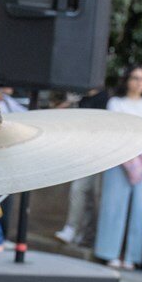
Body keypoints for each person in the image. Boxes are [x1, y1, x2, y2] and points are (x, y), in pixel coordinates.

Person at [94, 66, 142, 269]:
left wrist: (141, 136)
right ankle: (109, 252)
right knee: (114, 205)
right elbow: (112, 129)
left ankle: (132, 256)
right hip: (121, 156)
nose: (139, 82)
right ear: (127, 80)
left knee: (140, 208)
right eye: (135, 78)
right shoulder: (116, 102)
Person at [55, 86, 109, 246]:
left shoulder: (106, 99)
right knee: (79, 190)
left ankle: (85, 233)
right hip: (83, 152)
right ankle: (74, 228)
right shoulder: (80, 99)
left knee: (93, 195)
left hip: (101, 152)